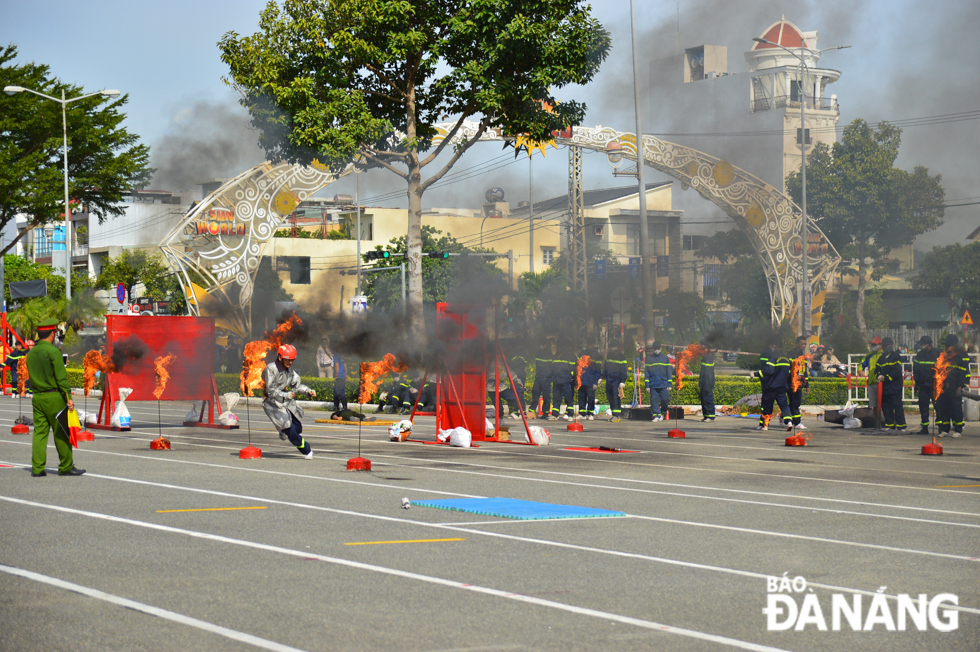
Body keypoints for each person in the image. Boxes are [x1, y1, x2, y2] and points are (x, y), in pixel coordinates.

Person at [26, 320, 82, 477]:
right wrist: (68, 397)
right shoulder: (54, 352)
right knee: (61, 432)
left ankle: (37, 469)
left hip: (37, 397)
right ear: (52, 334)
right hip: (54, 397)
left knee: (39, 433)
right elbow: (61, 377)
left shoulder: (31, 354)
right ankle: (66, 466)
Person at [262, 344, 317, 458]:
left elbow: (297, 385)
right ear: (280, 357)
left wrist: (308, 391)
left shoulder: (290, 371)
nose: (290, 362)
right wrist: (286, 395)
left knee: (297, 428)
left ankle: (282, 430)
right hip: (272, 404)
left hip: (286, 403)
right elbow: (271, 391)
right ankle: (306, 450)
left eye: (292, 360)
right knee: (291, 431)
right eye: (288, 360)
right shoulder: (270, 369)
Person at [935, 334, 970, 438]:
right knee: (944, 409)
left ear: (954, 346)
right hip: (944, 389)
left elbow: (964, 374)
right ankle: (945, 430)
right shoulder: (943, 358)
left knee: (956, 409)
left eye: (948, 345)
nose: (946, 347)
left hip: (955, 388)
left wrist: (960, 387)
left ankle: (958, 430)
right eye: (946, 345)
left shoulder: (959, 359)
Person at [757, 342, 791, 431]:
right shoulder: (786, 359)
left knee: (768, 405)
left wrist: (757, 373)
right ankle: (788, 422)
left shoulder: (773, 357)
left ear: (775, 346)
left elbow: (769, 370)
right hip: (782, 386)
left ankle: (765, 425)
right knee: (784, 405)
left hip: (772, 386)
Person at [876, 337, 907, 431]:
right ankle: (889, 425)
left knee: (897, 407)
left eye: (887, 346)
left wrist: (886, 378)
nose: (885, 348)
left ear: (891, 346)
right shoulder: (881, 358)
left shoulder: (896, 356)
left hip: (895, 386)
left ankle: (901, 426)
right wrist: (879, 376)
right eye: (884, 346)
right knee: (886, 407)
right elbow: (877, 369)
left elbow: (896, 371)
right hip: (885, 388)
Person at [912, 336, 939, 434]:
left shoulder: (937, 354)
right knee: (923, 407)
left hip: (935, 386)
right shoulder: (919, 355)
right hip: (923, 385)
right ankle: (924, 428)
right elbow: (916, 370)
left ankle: (941, 428)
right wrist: (917, 384)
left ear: (927, 345)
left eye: (922, 344)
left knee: (938, 406)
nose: (920, 346)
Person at [644, 340, 672, 423]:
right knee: (654, 400)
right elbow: (647, 373)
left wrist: (669, 384)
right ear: (653, 349)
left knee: (665, 399)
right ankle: (656, 415)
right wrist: (647, 385)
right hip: (653, 384)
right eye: (655, 348)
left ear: (661, 348)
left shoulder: (665, 358)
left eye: (658, 348)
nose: (656, 350)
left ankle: (663, 412)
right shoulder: (649, 359)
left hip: (663, 383)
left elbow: (669, 372)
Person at [603, 340, 629, 422]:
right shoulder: (609, 355)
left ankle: (617, 415)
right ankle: (613, 414)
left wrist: (622, 381)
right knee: (610, 397)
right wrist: (601, 377)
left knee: (616, 397)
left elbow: (624, 370)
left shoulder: (621, 357)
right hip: (609, 379)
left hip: (616, 380)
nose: (612, 348)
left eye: (613, 346)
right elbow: (605, 367)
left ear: (617, 347)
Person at [787, 335, 809, 431]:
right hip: (792, 383)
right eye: (802, 344)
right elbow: (789, 368)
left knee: (797, 402)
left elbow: (805, 371)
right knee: (794, 402)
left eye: (805, 344)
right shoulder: (792, 354)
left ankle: (784, 415)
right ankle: (797, 422)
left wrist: (807, 384)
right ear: (797, 344)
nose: (803, 345)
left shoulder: (803, 356)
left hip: (800, 383)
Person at [550, 341, 576, 420]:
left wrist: (571, 379)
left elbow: (573, 369)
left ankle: (570, 415)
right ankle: (555, 415)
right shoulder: (554, 357)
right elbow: (552, 369)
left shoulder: (569, 357)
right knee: (556, 398)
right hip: (557, 381)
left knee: (568, 398)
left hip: (566, 381)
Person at [862, 336, 885, 421]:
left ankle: (885, 421)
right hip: (871, 383)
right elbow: (862, 363)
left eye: (874, 344)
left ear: (880, 345)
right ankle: (877, 422)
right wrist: (860, 370)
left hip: (882, 383)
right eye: (872, 344)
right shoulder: (869, 355)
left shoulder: (884, 355)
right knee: (874, 405)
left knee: (884, 404)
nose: (873, 346)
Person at [577, 343, 602, 421]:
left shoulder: (596, 355)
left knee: (591, 398)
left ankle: (590, 413)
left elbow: (598, 369)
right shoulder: (581, 354)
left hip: (591, 381)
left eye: (591, 344)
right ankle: (582, 413)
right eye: (588, 344)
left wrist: (596, 381)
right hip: (582, 380)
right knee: (581, 398)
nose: (589, 346)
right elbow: (577, 366)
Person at [499, 351, 527, 419]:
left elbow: (517, 364)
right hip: (514, 376)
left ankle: (522, 412)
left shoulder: (521, 356)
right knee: (513, 394)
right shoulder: (513, 357)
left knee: (519, 394)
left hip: (519, 376)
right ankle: (514, 412)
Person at [530, 343, 553, 419]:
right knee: (535, 394)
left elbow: (552, 367)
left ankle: (546, 413)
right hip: (538, 378)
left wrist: (550, 377)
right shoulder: (538, 353)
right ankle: (531, 411)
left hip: (546, 379)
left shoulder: (549, 354)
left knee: (546, 397)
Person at [698, 340, 716, 422]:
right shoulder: (705, 356)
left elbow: (708, 373)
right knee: (704, 399)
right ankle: (706, 415)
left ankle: (710, 416)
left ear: (704, 346)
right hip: (704, 383)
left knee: (708, 399)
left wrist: (707, 384)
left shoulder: (708, 357)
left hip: (707, 383)